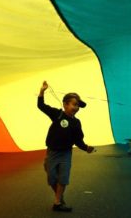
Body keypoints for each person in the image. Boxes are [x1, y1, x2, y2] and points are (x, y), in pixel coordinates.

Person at [37, 81, 94, 212]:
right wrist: (42, 91)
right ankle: (59, 197)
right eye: (74, 104)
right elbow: (41, 106)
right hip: (52, 153)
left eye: (78, 106)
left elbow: (78, 140)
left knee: (63, 178)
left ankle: (57, 203)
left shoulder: (76, 123)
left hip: (66, 154)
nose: (76, 107)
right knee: (52, 179)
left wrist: (86, 148)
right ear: (65, 104)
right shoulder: (57, 114)